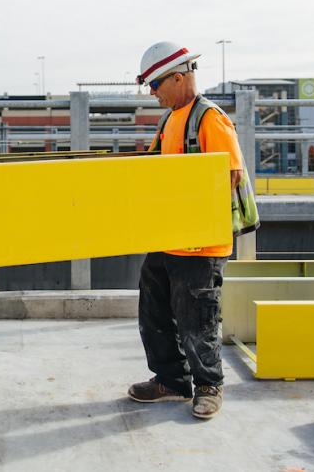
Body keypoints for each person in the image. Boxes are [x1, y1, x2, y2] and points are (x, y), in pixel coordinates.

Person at [128, 41, 246, 420]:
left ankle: (209, 386)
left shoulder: (210, 119)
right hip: (169, 239)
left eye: (156, 85)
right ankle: (171, 381)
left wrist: (192, 221)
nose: (153, 93)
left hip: (200, 246)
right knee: (154, 311)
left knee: (198, 319)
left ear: (178, 77)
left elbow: (228, 176)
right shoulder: (170, 120)